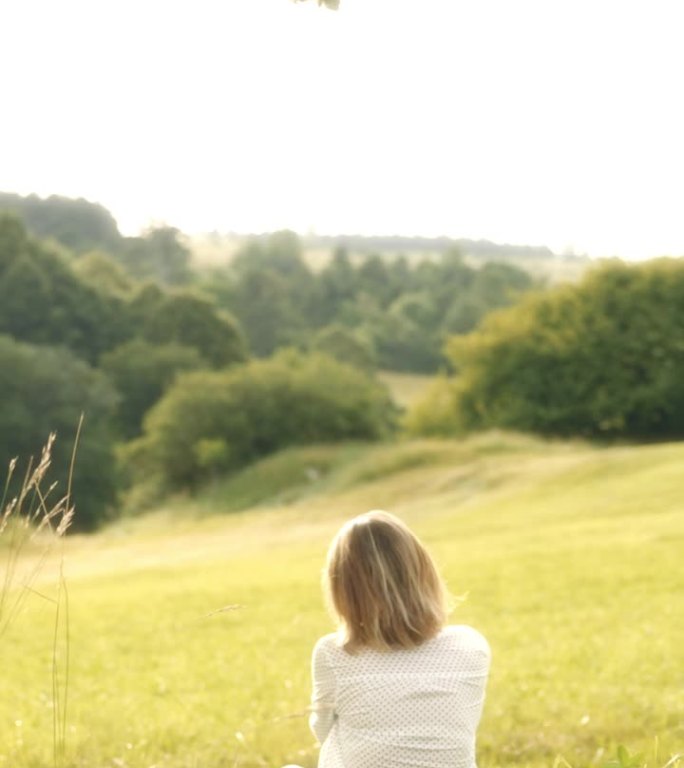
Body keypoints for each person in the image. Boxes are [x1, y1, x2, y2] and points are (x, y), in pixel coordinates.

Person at [287, 509, 491, 768]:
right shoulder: (470, 645)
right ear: (422, 570)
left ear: (343, 591)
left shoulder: (334, 652)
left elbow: (323, 730)